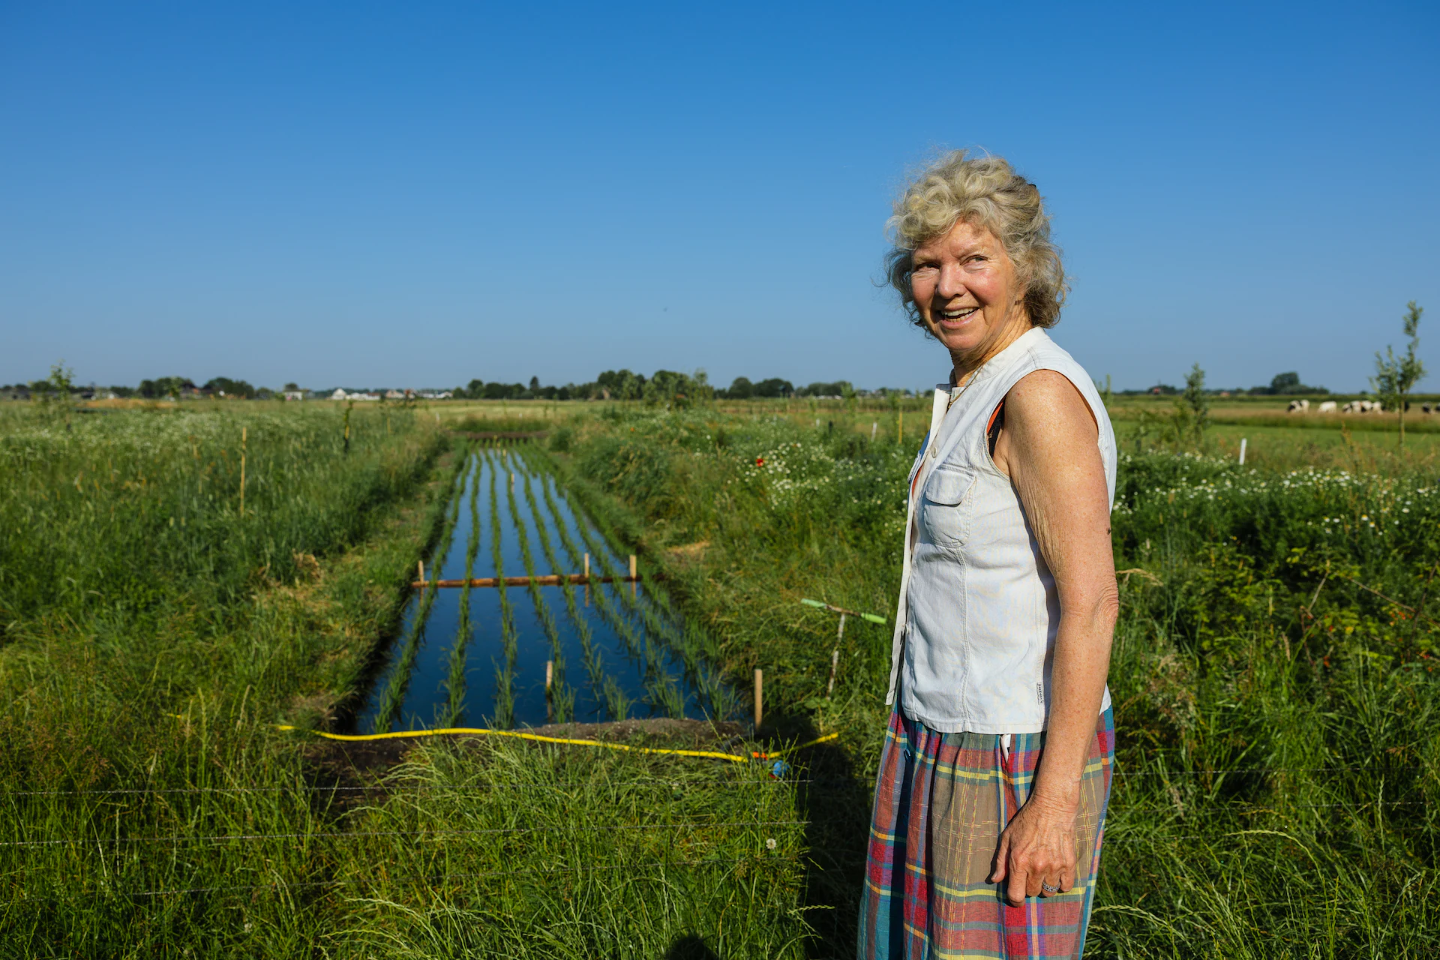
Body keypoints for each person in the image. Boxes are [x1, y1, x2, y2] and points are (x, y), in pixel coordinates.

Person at [859, 150, 1119, 960]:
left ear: (1025, 268)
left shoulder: (1034, 395)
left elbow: (1093, 603)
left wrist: (1051, 805)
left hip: (1008, 750)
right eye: (928, 265)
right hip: (936, 730)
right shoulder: (975, 387)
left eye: (975, 259)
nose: (948, 286)